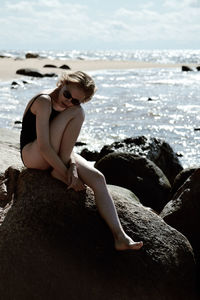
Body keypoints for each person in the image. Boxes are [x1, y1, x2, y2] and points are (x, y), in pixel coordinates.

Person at [20, 71, 143, 251]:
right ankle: (57, 172)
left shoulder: (68, 107)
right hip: (33, 154)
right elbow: (45, 146)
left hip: (53, 153)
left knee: (98, 179)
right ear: (62, 83)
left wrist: (73, 167)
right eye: (67, 95)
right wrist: (66, 174)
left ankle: (120, 236)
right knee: (78, 113)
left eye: (75, 100)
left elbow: (63, 145)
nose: (69, 101)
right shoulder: (44, 101)